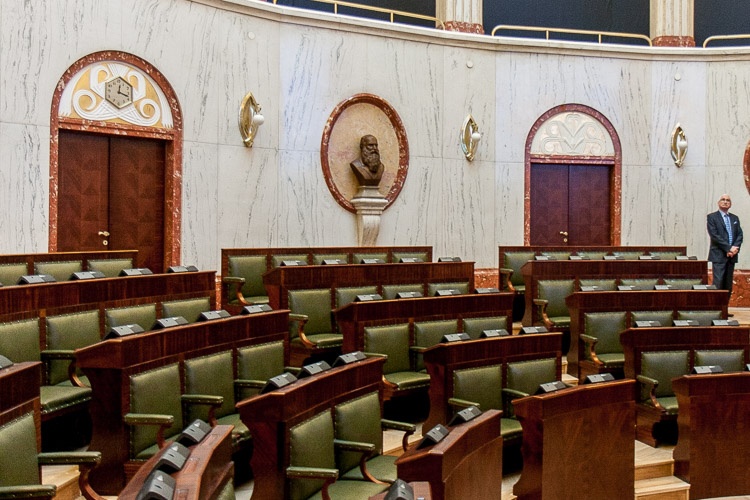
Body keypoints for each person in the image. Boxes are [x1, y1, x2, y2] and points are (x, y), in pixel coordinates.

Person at [707, 194, 743, 296]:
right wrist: (729, 248)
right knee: (718, 285)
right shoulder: (712, 217)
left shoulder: (734, 218)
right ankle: (717, 306)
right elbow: (714, 235)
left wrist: (734, 249)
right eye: (723, 199)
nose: (725, 202)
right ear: (718, 203)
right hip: (719, 255)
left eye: (728, 200)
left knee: (728, 286)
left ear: (730, 204)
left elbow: (740, 234)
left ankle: (725, 306)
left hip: (732, 256)